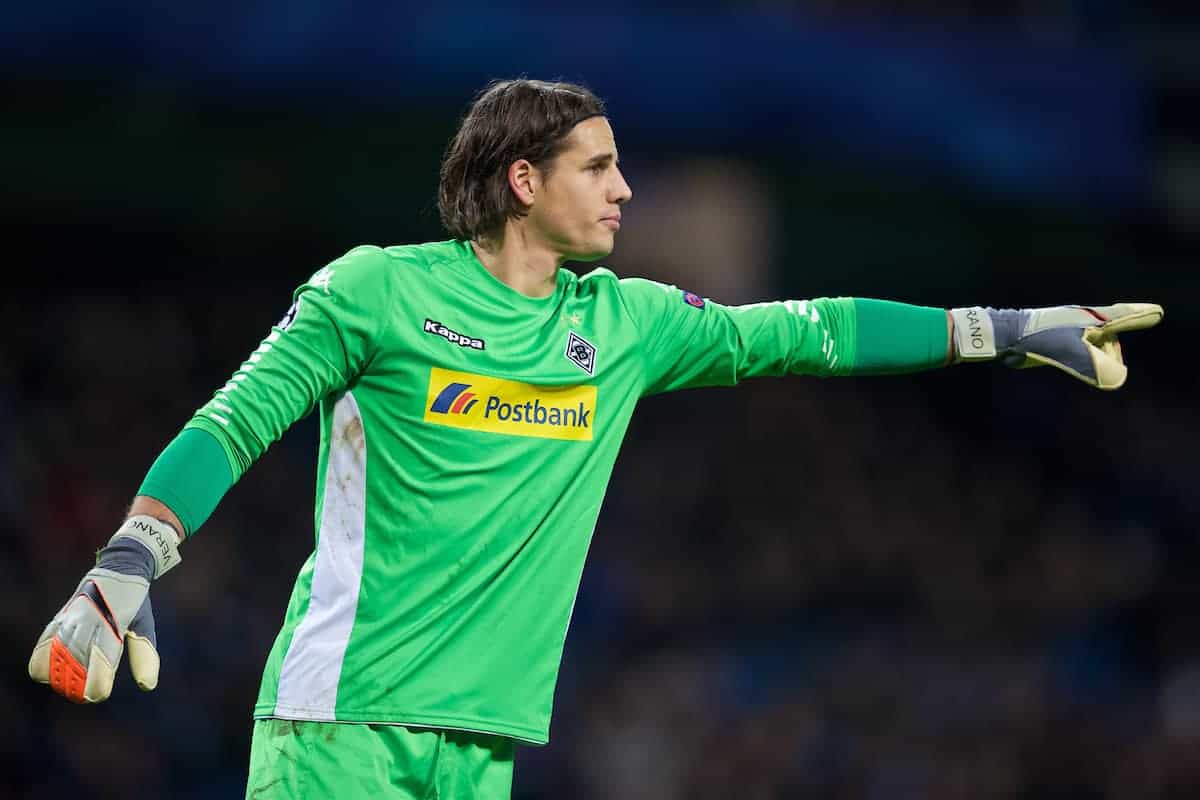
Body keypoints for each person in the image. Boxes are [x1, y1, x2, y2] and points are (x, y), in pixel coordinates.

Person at [28, 78, 1162, 799]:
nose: (626, 189)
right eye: (600, 167)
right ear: (523, 181)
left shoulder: (622, 325)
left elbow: (808, 332)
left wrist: (1003, 328)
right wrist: (130, 556)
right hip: (341, 726)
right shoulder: (373, 291)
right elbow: (236, 417)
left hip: (483, 744)